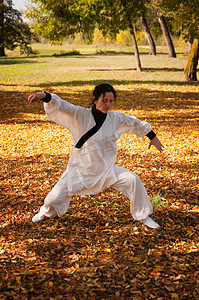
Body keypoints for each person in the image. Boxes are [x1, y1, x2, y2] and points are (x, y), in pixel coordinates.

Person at [28, 84, 164, 229]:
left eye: (111, 101)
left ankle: (143, 215)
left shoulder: (115, 118)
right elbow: (63, 106)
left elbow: (134, 123)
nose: (108, 105)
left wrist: (152, 137)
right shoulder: (80, 115)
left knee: (132, 180)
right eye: (104, 100)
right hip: (80, 169)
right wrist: (44, 96)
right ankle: (45, 212)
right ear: (95, 99)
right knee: (54, 198)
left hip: (105, 169)